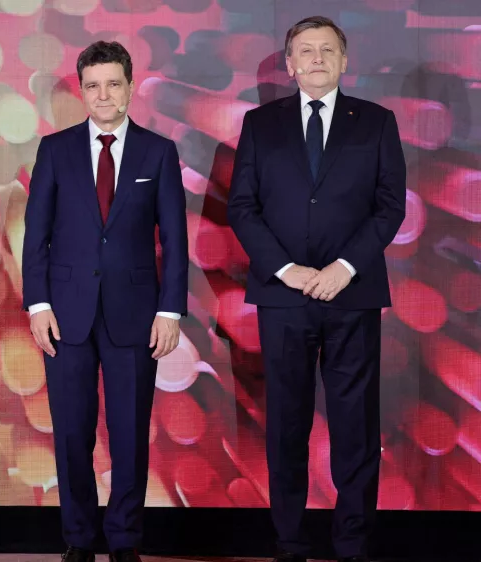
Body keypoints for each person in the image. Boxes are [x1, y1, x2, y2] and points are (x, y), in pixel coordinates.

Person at [227, 16, 405, 562]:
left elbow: (389, 206)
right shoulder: (260, 124)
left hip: (351, 296)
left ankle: (352, 544)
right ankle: (289, 542)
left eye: (328, 50)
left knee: (355, 425)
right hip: (283, 298)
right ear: (290, 63)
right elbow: (243, 208)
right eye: (306, 50)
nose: (318, 58)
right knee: (285, 423)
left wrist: (343, 268)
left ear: (345, 60)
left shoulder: (376, 122)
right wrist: (288, 271)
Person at [21, 41, 188, 562]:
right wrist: (37, 304)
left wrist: (170, 310)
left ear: (130, 87)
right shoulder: (56, 149)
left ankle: (124, 539)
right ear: (82, 90)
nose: (103, 94)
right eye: (92, 85)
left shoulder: (158, 152)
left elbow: (176, 240)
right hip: (65, 315)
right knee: (71, 431)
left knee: (130, 433)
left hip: (136, 316)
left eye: (113, 83)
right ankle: (78, 538)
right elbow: (36, 235)